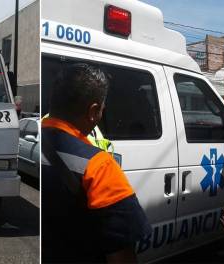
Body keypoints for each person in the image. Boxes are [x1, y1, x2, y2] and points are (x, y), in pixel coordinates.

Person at [41, 63, 152, 263]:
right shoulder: (99, 166)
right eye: (102, 109)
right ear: (93, 111)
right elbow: (122, 256)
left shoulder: (34, 140)